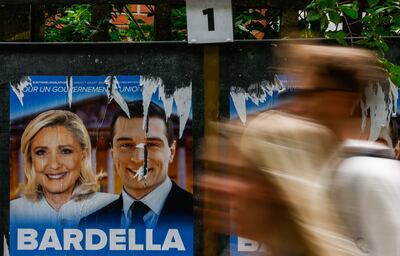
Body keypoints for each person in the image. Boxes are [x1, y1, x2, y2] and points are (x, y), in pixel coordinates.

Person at [201, 44, 400, 256]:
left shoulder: (366, 175)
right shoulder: (321, 167)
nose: (295, 106)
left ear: (343, 99)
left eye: (307, 94)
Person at [80, 101, 192, 231]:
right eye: (126, 145)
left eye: (151, 145)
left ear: (171, 152)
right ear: (113, 153)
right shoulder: (89, 225)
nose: (138, 159)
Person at [10, 110, 117, 227]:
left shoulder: (116, 209)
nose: (54, 165)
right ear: (31, 159)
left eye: (66, 151)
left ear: (83, 155)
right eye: (41, 152)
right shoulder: (13, 213)